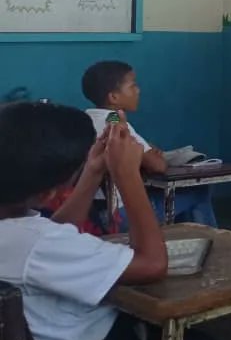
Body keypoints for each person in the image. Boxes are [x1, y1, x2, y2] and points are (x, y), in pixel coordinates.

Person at [82, 60, 217, 229]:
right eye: (133, 86)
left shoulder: (87, 120)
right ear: (113, 97)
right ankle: (213, 241)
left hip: (92, 211)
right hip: (120, 214)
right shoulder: (116, 123)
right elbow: (158, 165)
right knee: (198, 191)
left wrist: (146, 153)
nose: (138, 90)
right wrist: (152, 156)